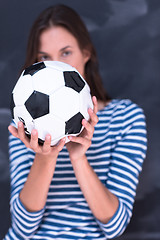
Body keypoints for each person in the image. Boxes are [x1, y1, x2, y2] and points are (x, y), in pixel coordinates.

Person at [4, 4, 147, 240]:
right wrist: (46, 157)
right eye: (45, 57)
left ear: (86, 53)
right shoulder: (25, 120)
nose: (56, 65)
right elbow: (23, 228)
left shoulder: (125, 117)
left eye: (66, 53)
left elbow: (114, 225)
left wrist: (78, 157)